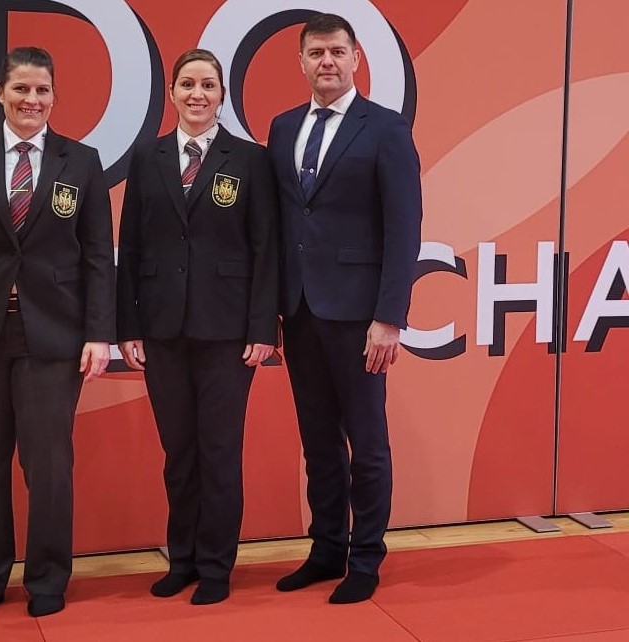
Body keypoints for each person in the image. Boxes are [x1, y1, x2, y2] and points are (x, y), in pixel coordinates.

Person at [0, 46, 115, 621]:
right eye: (22, 90)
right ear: (0, 94)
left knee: (48, 464)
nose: (32, 100)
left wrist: (98, 333)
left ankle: (48, 577)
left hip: (54, 338)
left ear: (55, 96)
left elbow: (99, 259)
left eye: (42, 91)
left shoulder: (80, 161)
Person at [266, 13, 422, 604]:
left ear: (356, 58)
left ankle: (366, 557)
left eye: (336, 51)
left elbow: (403, 228)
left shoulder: (385, 129)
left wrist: (390, 317)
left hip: (360, 317)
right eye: (315, 53)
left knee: (367, 440)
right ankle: (326, 547)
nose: (326, 62)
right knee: (318, 441)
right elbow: (282, 222)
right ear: (301, 61)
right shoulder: (282, 129)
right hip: (301, 310)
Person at [116, 49, 279, 605]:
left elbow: (265, 249)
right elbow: (131, 246)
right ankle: (180, 558)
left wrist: (263, 327)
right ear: (173, 92)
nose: (197, 94)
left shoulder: (250, 159)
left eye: (208, 85)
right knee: (179, 453)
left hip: (228, 332)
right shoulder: (149, 158)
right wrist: (127, 324)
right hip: (162, 330)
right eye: (187, 84)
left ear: (222, 95)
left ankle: (215, 566)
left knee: (218, 452)